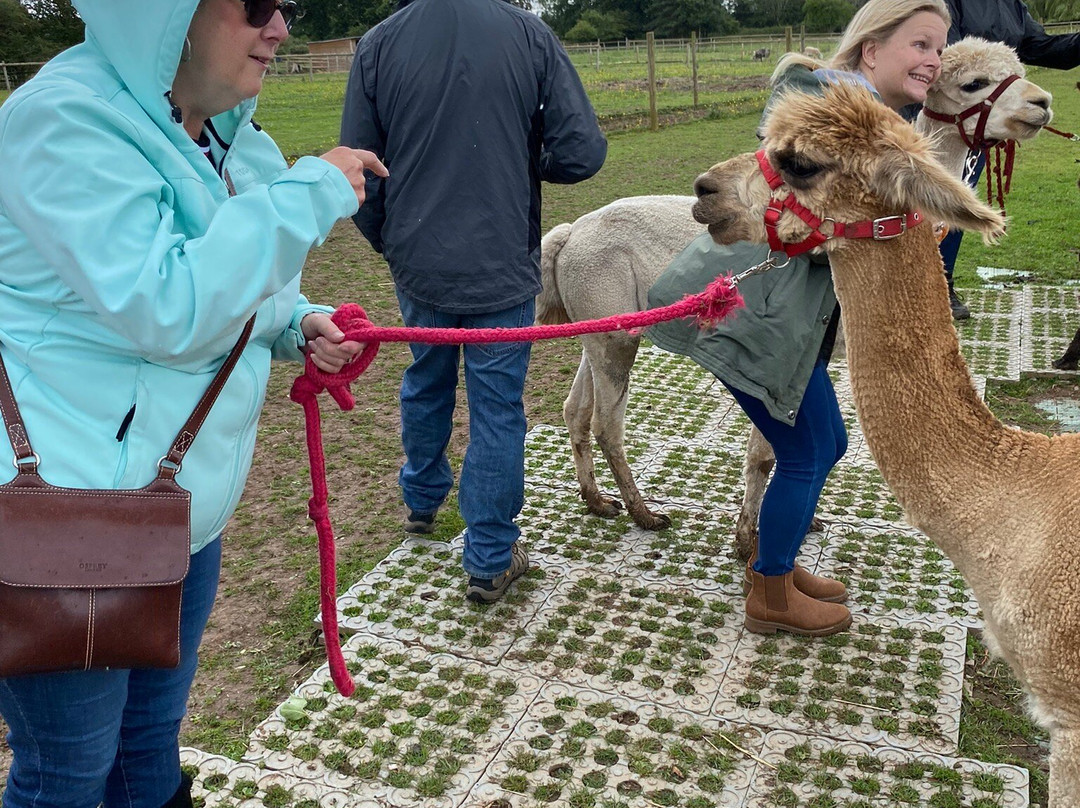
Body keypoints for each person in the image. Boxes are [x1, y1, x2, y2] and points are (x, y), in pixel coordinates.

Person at [0, 1, 387, 806]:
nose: (278, 27)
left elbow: (243, 288)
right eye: (252, 4)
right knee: (67, 774)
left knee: (147, 750)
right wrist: (312, 192)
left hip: (176, 513)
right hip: (66, 519)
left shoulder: (227, 138)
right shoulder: (63, 122)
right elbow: (164, 301)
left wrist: (301, 321)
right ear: (162, 13)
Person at [648, 0, 950, 637]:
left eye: (940, 48)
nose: (934, 60)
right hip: (753, 314)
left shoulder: (878, 123)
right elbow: (793, 182)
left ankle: (774, 569)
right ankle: (771, 594)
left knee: (829, 443)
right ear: (872, 50)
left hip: (794, 319)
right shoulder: (824, 105)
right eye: (920, 44)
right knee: (808, 452)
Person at [340, 0, 607, 604]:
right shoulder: (530, 36)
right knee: (496, 406)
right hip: (499, 257)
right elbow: (581, 152)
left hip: (419, 258)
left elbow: (356, 166)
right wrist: (526, 155)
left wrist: (394, 241)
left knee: (426, 375)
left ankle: (422, 500)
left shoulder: (379, 43)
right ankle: (488, 554)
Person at [937, 0, 1080, 319]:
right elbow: (947, 56)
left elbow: (1041, 47)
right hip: (939, 124)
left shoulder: (1011, 5)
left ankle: (939, 283)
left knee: (958, 207)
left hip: (977, 129)